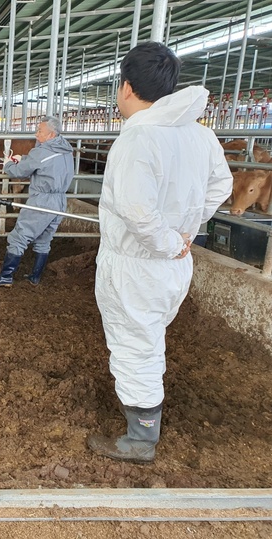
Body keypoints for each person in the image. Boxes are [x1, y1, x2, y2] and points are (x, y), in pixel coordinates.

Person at [87, 42, 233, 463]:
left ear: (127, 87)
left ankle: (140, 437)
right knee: (148, 336)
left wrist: (170, 239)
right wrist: (188, 229)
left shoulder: (138, 138)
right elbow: (221, 186)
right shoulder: (201, 134)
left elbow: (137, 211)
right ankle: (141, 420)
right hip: (172, 265)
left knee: (137, 344)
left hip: (140, 263)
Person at [0, 116, 74, 287]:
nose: (36, 134)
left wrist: (8, 165)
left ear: (50, 134)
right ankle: (35, 276)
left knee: (19, 236)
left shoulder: (42, 152)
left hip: (42, 201)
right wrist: (24, 157)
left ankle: (6, 276)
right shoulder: (66, 149)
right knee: (44, 239)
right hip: (60, 200)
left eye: (39, 131)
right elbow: (41, 161)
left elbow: (19, 172)